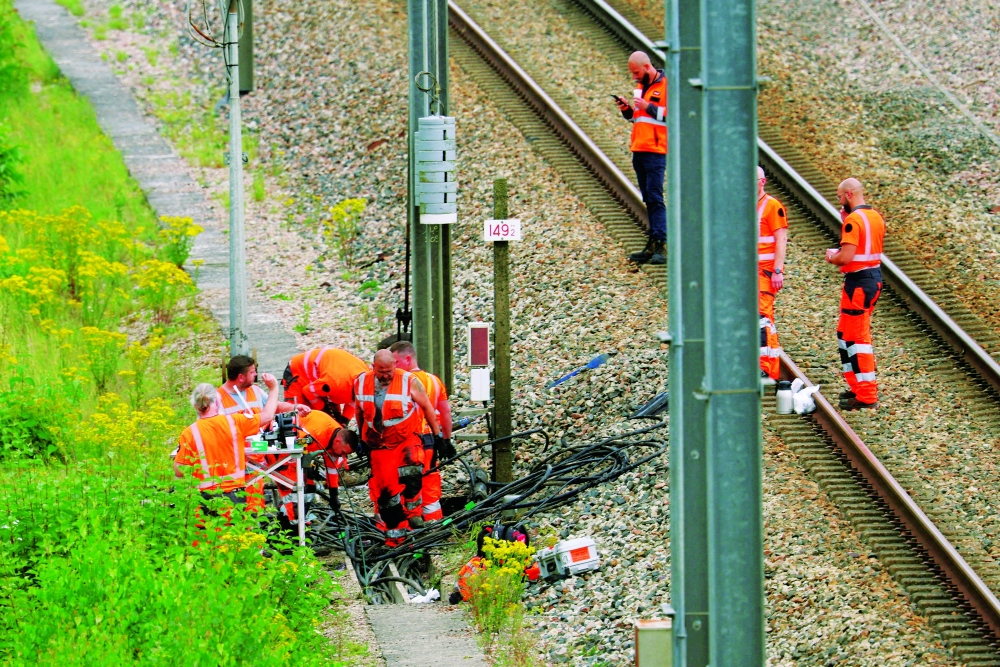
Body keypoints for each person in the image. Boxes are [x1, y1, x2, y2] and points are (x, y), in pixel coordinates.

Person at [352, 349, 441, 546]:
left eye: (389, 371)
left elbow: (427, 407)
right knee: (386, 494)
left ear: (395, 366)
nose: (385, 376)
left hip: (405, 440)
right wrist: (362, 439)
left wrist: (438, 436)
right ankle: (396, 537)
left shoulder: (409, 380)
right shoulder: (361, 382)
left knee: (412, 478)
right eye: (381, 371)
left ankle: (414, 516)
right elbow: (359, 411)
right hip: (379, 445)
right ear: (373, 367)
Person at [825, 178, 885, 410]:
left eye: (839, 197)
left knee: (857, 338)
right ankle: (858, 388)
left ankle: (867, 395)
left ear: (849, 194)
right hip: (871, 280)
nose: (839, 202)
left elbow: (846, 257)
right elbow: (866, 247)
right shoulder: (875, 217)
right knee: (846, 333)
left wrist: (832, 256)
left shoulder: (853, 221)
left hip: (858, 284)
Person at [174, 374, 281, 503]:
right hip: (234, 496)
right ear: (218, 401)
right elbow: (267, 416)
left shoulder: (190, 432)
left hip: (205, 498)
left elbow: (179, 471)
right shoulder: (235, 422)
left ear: (196, 406)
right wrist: (274, 388)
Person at [389, 340, 455, 523]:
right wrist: (446, 440)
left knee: (406, 485)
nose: (393, 367)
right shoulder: (434, 381)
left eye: (396, 362)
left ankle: (409, 529)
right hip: (431, 442)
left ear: (407, 359)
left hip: (408, 444)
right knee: (429, 484)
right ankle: (433, 526)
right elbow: (445, 412)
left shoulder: (400, 382)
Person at [615, 51, 667, 266]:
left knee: (655, 197)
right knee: (648, 197)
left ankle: (660, 243)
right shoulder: (641, 87)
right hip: (639, 148)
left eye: (636, 73)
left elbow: (675, 114)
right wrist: (627, 110)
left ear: (647, 67)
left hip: (656, 150)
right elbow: (639, 118)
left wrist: (649, 107)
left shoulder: (667, 86)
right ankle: (653, 241)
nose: (635, 77)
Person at [273, 409, 359, 528]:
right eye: (343, 453)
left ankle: (296, 521)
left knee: (309, 489)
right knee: (292, 491)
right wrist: (304, 466)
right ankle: (292, 527)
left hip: (298, 453)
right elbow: (294, 448)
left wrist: (334, 495)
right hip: (282, 450)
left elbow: (332, 469)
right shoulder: (317, 433)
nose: (343, 456)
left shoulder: (337, 440)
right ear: (338, 441)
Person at [756, 166, 788, 382]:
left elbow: (781, 239)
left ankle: (766, 369)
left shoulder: (772, 206)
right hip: (749, 273)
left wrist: (777, 270)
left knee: (763, 320)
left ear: (763, 181)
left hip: (765, 273)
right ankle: (758, 366)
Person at [282, 347, 369, 425]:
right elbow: (308, 391)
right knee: (297, 417)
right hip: (298, 372)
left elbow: (353, 402)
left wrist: (344, 423)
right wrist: (323, 409)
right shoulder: (335, 384)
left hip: (326, 377)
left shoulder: (366, 380)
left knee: (334, 421)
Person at [218, 354, 310, 421]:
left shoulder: (255, 390)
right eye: (252, 372)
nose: (256, 374)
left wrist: (295, 407)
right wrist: (273, 388)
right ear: (241, 377)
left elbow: (275, 406)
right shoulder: (217, 399)